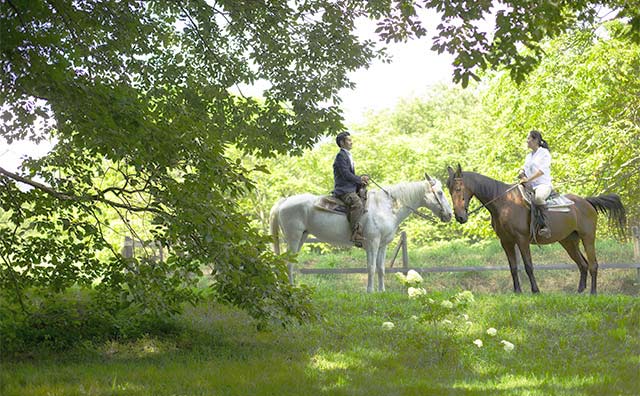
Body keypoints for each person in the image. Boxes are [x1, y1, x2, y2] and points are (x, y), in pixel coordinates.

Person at [333, 131, 369, 247]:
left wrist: (361, 179)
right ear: (342, 143)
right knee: (357, 203)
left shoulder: (347, 155)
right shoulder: (340, 156)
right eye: (348, 140)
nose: (351, 142)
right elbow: (345, 174)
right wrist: (359, 179)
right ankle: (355, 234)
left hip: (350, 188)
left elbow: (349, 174)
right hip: (343, 190)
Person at [518, 130, 553, 238]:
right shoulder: (529, 155)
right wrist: (521, 173)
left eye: (529, 138)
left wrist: (528, 179)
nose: (527, 141)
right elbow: (524, 168)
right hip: (529, 186)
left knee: (538, 198)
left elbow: (541, 171)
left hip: (543, 185)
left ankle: (545, 227)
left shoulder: (544, 153)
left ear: (536, 140)